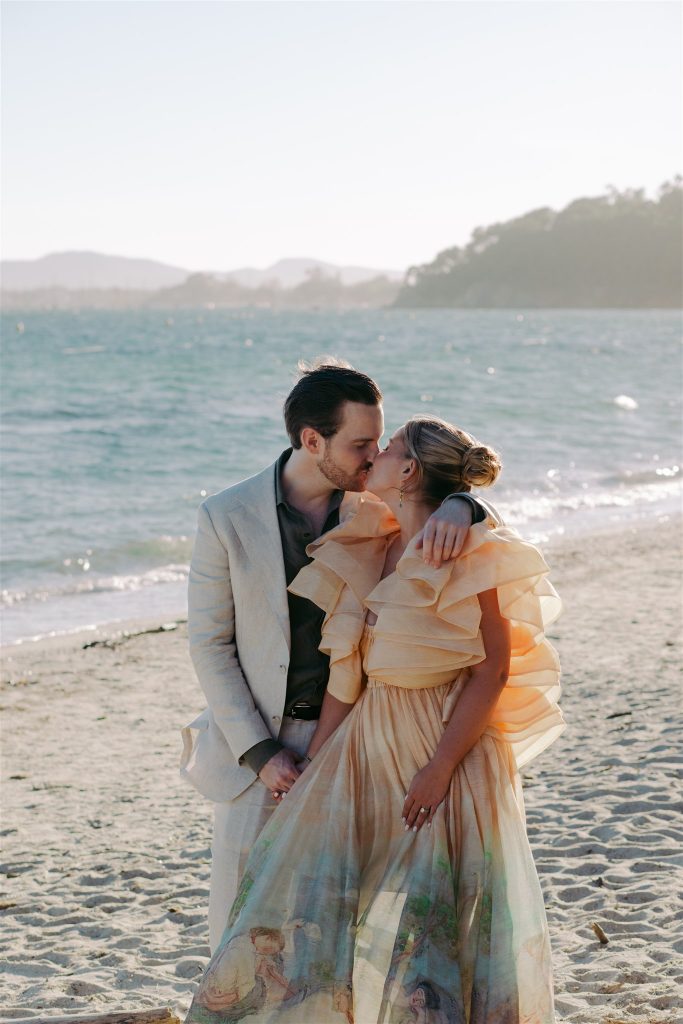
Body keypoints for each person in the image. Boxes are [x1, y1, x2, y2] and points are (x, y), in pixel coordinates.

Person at [185, 415, 564, 1024]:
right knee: (320, 901)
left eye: (386, 447)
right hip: (368, 743)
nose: (374, 456)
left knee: (436, 919)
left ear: (409, 470)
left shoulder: (466, 546)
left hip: (444, 747)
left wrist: (440, 768)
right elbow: (347, 674)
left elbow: (493, 670)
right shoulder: (369, 538)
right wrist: (317, 767)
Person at [181, 363, 486, 952]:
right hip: (256, 751)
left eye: (379, 442)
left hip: (354, 741)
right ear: (312, 440)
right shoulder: (224, 515)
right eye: (360, 444)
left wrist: (465, 506)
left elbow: (450, 504)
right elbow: (210, 644)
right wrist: (261, 752)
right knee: (237, 929)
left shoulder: (378, 503)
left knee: (336, 927)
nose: (374, 457)